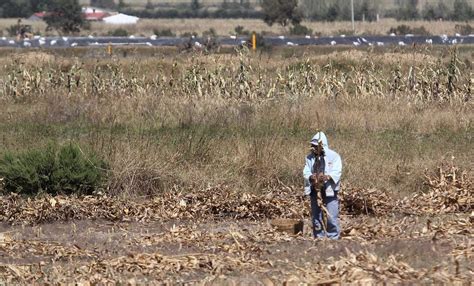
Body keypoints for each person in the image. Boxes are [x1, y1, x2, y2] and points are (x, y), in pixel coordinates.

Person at [303, 131, 342, 239]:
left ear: (322, 146)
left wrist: (327, 177)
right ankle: (319, 238)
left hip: (330, 189)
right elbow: (306, 171)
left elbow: (337, 171)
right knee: (316, 217)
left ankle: (333, 237)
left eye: (316, 146)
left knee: (331, 216)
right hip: (315, 189)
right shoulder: (309, 158)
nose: (313, 148)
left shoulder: (334, 156)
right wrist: (311, 177)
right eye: (312, 146)